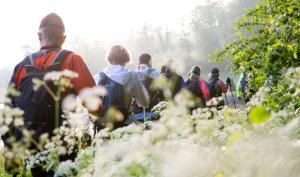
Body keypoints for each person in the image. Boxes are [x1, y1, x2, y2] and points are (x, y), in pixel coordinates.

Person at [8, 13, 95, 176]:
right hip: (62, 146)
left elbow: (8, 109)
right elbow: (94, 103)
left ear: (39, 36)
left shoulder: (22, 66)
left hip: (29, 145)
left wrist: (10, 148)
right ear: (64, 38)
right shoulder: (72, 60)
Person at [94, 45, 149, 127]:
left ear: (109, 58)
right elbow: (144, 103)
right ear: (126, 58)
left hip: (103, 126)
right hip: (126, 124)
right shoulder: (132, 75)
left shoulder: (98, 76)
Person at [133, 53, 162, 120]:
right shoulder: (155, 73)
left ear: (139, 62)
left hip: (137, 113)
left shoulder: (133, 74)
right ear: (150, 62)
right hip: (153, 112)